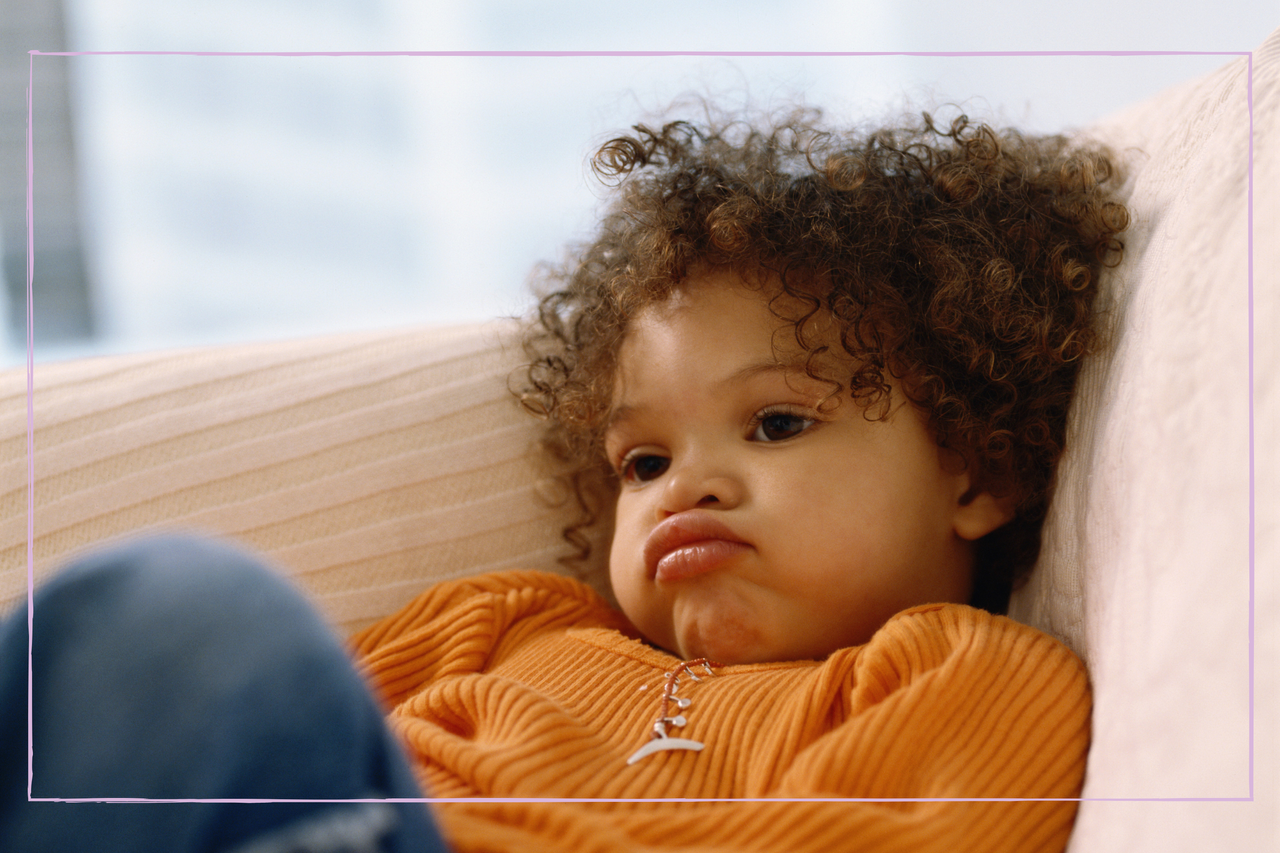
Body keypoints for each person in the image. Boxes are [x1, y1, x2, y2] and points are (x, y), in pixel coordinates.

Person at [2, 105, 1128, 852]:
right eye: (642, 460)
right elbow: (258, 744)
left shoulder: (957, 673)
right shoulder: (502, 626)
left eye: (776, 422)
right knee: (148, 636)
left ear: (973, 470)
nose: (688, 485)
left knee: (194, 613)